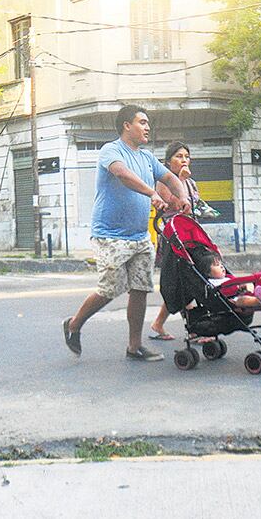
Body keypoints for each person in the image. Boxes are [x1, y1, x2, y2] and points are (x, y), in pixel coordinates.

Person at [62, 105, 190, 362]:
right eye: (142, 122)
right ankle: (74, 324)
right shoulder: (111, 150)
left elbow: (171, 179)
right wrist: (151, 193)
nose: (147, 127)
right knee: (110, 288)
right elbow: (122, 174)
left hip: (139, 236)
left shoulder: (147, 158)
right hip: (110, 234)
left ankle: (134, 347)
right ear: (126, 125)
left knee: (140, 288)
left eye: (148, 123)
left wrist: (183, 197)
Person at [148, 140, 200, 341]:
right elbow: (176, 204)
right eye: (179, 156)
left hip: (190, 235)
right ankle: (194, 330)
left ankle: (158, 324)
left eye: (187, 157)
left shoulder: (191, 181)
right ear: (169, 162)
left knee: (180, 283)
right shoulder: (164, 182)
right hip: (173, 237)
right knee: (184, 282)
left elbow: (197, 206)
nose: (184, 160)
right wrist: (180, 179)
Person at [193, 248, 261, 328]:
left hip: (241, 294)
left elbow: (236, 285)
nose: (222, 267)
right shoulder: (210, 282)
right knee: (244, 300)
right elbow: (220, 293)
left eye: (221, 264)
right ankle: (260, 299)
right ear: (207, 272)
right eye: (217, 265)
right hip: (232, 301)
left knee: (259, 297)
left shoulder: (228, 277)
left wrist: (241, 286)